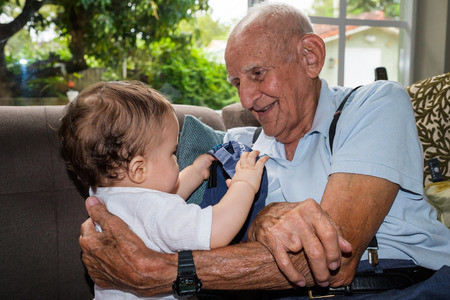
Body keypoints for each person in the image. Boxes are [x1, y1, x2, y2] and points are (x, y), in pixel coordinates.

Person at [79, 3, 450, 299]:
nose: (246, 98)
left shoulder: (373, 104)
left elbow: (330, 260)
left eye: (257, 74)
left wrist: (161, 271)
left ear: (309, 56)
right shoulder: (237, 147)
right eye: (237, 82)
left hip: (397, 284)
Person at [58, 81, 268, 299]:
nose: (177, 158)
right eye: (172, 152)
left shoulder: (105, 196)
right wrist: (245, 182)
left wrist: (195, 172)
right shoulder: (155, 210)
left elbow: (162, 203)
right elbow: (217, 229)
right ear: (138, 169)